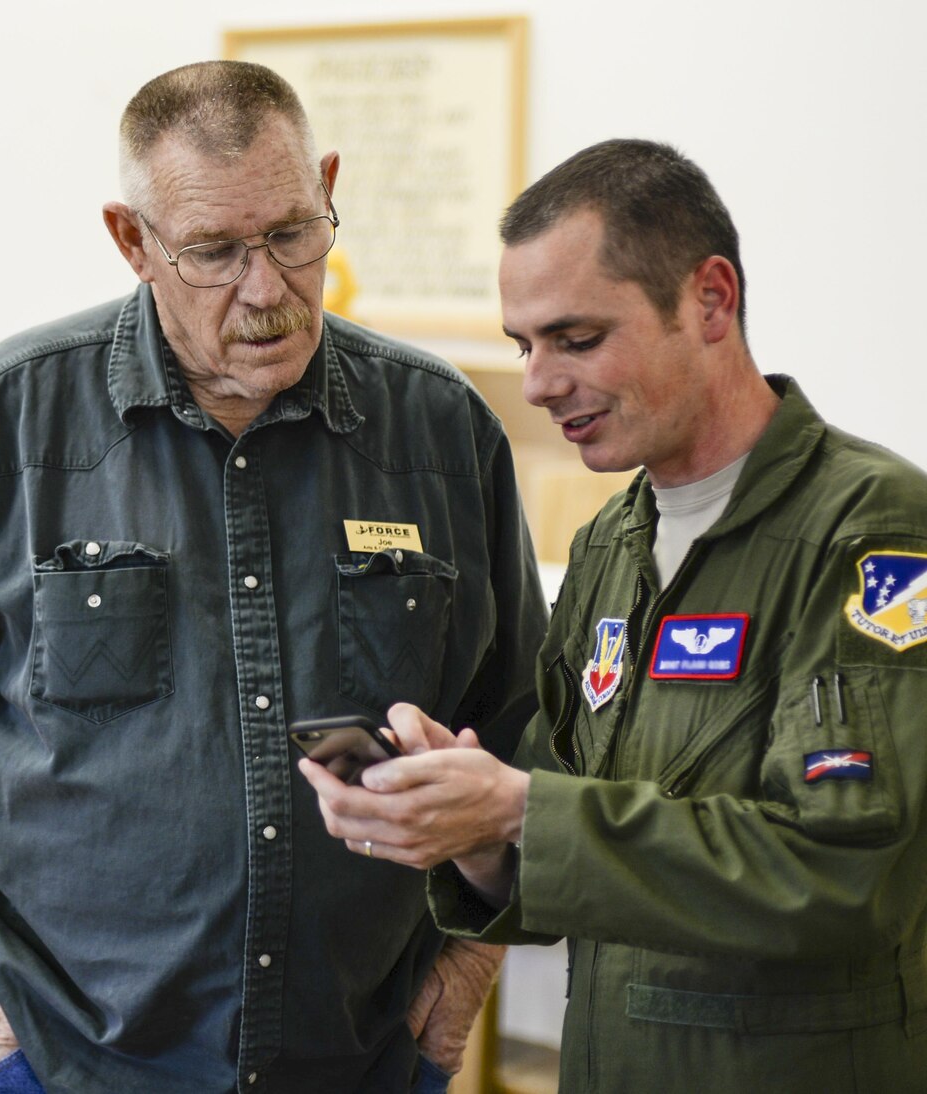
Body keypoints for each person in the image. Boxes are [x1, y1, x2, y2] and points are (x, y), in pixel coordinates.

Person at [0, 60, 549, 1093]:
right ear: (132, 240)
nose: (265, 289)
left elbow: (524, 728)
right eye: (213, 251)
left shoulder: (437, 434)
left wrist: (464, 981)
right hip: (64, 1060)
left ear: (329, 190)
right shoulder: (8, 429)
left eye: (293, 234)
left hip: (362, 1057)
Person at [301, 139, 927, 1092]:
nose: (542, 383)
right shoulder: (609, 548)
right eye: (525, 346)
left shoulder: (870, 530)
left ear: (711, 300)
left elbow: (843, 876)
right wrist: (473, 829)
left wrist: (522, 809)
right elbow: (562, 857)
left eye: (578, 339)